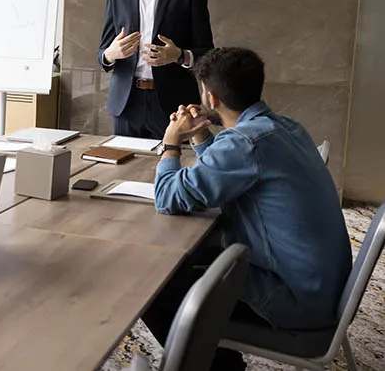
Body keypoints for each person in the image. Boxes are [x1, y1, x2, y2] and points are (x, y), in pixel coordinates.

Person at [144, 47, 351, 370]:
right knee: (192, 259)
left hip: (294, 301)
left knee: (153, 286)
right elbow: (234, 166)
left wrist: (171, 141)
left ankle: (219, 366)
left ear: (211, 98)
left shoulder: (244, 143)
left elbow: (169, 197)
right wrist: (200, 133)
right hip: (319, 286)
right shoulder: (284, 127)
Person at [98, 0, 214, 139]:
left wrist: (180, 55)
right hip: (126, 105)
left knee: (170, 169)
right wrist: (111, 54)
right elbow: (102, 52)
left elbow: (207, 53)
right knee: (123, 170)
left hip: (174, 107)